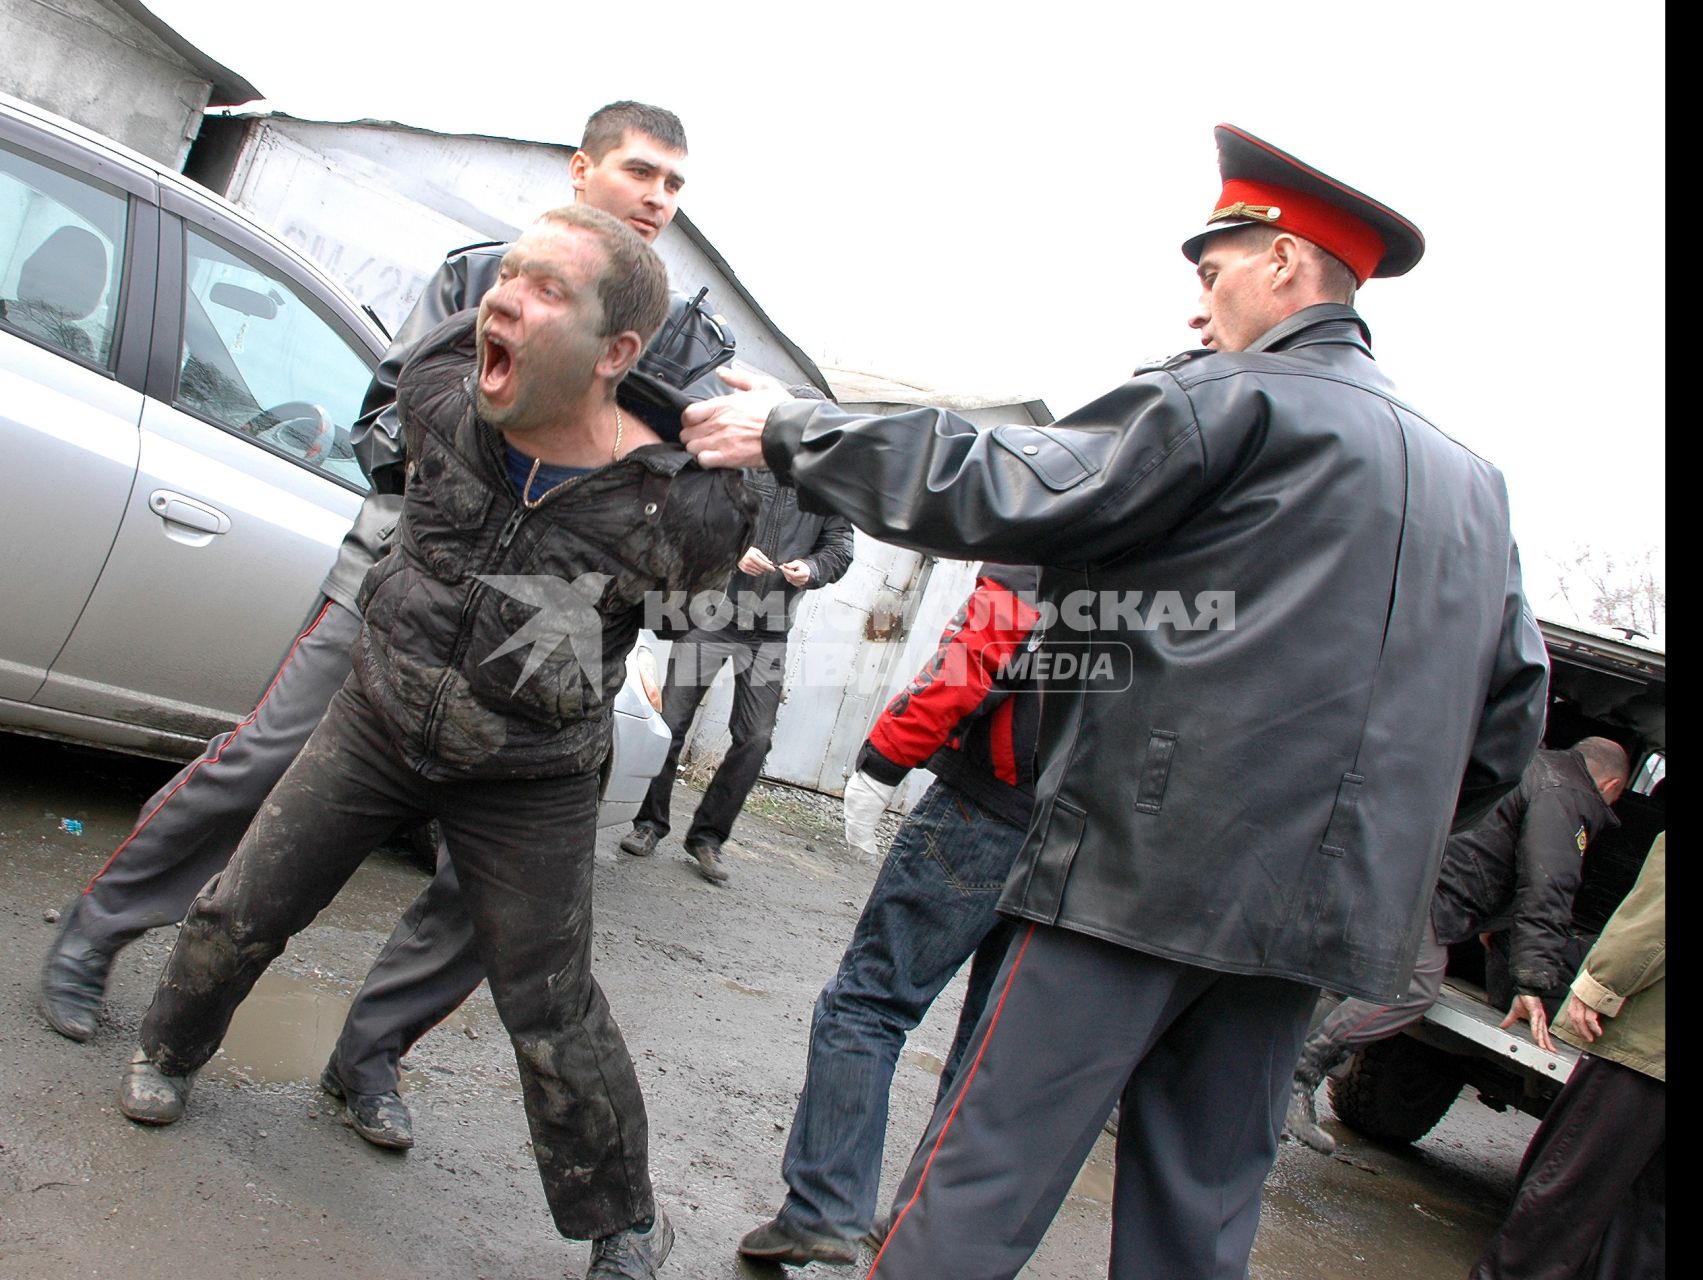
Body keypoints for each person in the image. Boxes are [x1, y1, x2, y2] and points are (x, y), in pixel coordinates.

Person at [677, 122, 1551, 1279]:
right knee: (1198, 1218)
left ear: (1282, 263)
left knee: (978, 1182)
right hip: (1307, 923)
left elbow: (1006, 481)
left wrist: (795, 428)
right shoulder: (1473, 489)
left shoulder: (1234, 402)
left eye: (1213, 271)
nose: (1202, 306)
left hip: (1138, 879)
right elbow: (1503, 728)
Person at [39, 99, 731, 1147]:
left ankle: (368, 1056)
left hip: (543, 638)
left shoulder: (693, 341)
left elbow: (690, 503)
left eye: (676, 186)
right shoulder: (480, 279)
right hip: (402, 581)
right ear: (581, 169)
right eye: (641, 172)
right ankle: (99, 930)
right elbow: (385, 413)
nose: (658, 199)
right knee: (264, 760)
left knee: (480, 883)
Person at [114, 205, 752, 1280]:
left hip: (529, 770)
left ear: (618, 352)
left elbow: (700, 590)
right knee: (246, 901)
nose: (503, 299)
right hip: (378, 710)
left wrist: (731, 463)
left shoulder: (677, 507)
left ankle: (622, 1219)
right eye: (505, 276)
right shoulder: (441, 388)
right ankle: (167, 1046)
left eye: (547, 290)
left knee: (551, 1004)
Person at [738, 564, 1042, 1265]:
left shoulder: (1050, 526)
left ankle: (824, 1208)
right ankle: (924, 1235)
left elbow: (970, 663)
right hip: (1079, 843)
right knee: (989, 1049)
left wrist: (881, 760)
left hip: (984, 814)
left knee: (867, 1004)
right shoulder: (1170, 543)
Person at [1284, 737, 1629, 1155]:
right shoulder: (1568, 794)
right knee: (1412, 989)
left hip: (1402, 868)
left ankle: (1268, 1087)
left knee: (1342, 979)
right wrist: (1533, 981)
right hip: (1432, 891)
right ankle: (1299, 1077)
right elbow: (1546, 885)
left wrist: (1493, 923)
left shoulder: (1530, 762)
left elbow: (1500, 847)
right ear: (1610, 786)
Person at [617, 419, 853, 883]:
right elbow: (697, 516)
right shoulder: (744, 465)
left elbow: (841, 546)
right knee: (670, 722)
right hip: (713, 612)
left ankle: (707, 838)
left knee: (756, 739)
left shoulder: (828, 487)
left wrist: (813, 567)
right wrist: (736, 547)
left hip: (770, 628)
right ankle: (649, 824)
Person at [1471, 832, 1665, 1279]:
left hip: (1646, 1049)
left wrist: (1601, 984)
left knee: (1567, 1195)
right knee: (1646, 1222)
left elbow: (1655, 919)